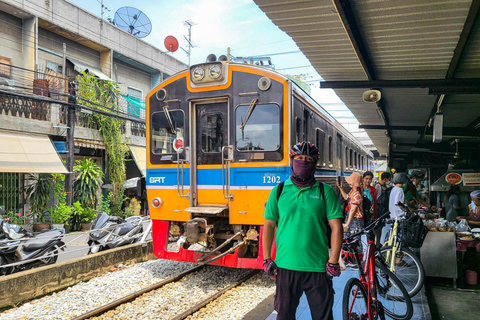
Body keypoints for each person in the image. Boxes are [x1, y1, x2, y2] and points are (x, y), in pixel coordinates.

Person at [263, 142, 343, 320]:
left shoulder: (325, 192)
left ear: (315, 163)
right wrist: (267, 258)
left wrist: (333, 261)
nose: (303, 162)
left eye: (308, 159)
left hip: (318, 268)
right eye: (299, 158)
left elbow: (336, 227)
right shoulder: (279, 190)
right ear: (292, 161)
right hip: (285, 267)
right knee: (284, 316)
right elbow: (268, 225)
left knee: (323, 317)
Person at [338, 172, 363, 270]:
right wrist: (341, 189)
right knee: (348, 239)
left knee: (355, 240)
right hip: (352, 219)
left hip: (355, 220)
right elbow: (347, 198)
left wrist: (347, 223)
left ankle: (357, 262)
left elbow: (353, 209)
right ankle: (349, 260)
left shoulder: (357, 194)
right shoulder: (353, 191)